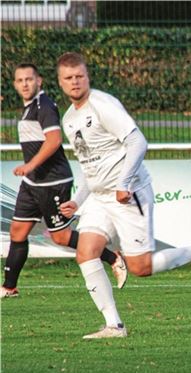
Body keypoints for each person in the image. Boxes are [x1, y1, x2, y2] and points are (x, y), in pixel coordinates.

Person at [56, 52, 191, 339]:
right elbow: (90, 166)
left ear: (87, 76)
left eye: (79, 75)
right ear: (61, 82)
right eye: (69, 78)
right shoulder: (69, 118)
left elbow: (138, 141)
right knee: (85, 252)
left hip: (128, 195)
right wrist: (77, 201)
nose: (75, 82)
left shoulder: (103, 104)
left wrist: (124, 182)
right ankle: (114, 325)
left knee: (140, 267)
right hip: (101, 198)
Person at [1, 63, 126, 299]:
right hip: (33, 182)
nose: (25, 84)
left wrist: (30, 165)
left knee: (61, 237)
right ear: (16, 85)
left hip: (52, 182)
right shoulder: (28, 108)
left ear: (39, 81)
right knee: (18, 230)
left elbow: (54, 140)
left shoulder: (44, 105)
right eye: (20, 80)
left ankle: (113, 257)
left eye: (29, 79)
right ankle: (9, 287)